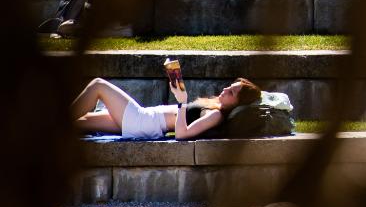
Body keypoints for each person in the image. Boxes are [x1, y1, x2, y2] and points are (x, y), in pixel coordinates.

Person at [72, 66, 261, 141]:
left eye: (232, 92)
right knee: (83, 120)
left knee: (98, 85)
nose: (226, 89)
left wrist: (181, 102)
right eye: (230, 86)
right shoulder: (214, 107)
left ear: (237, 103)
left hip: (143, 121)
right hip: (146, 120)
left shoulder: (216, 115)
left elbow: (181, 134)